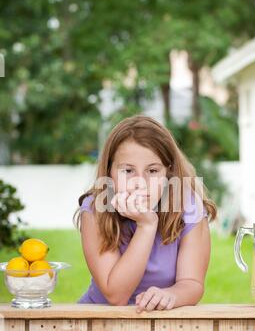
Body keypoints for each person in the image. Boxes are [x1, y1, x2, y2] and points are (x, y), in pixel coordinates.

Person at [73, 115, 217, 312]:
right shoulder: (96, 209)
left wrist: (171, 295)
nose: (140, 183)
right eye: (128, 171)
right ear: (110, 172)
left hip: (162, 323)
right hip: (101, 322)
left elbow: (192, 283)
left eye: (152, 171)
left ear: (169, 171)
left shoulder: (188, 206)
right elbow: (116, 296)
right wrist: (146, 226)